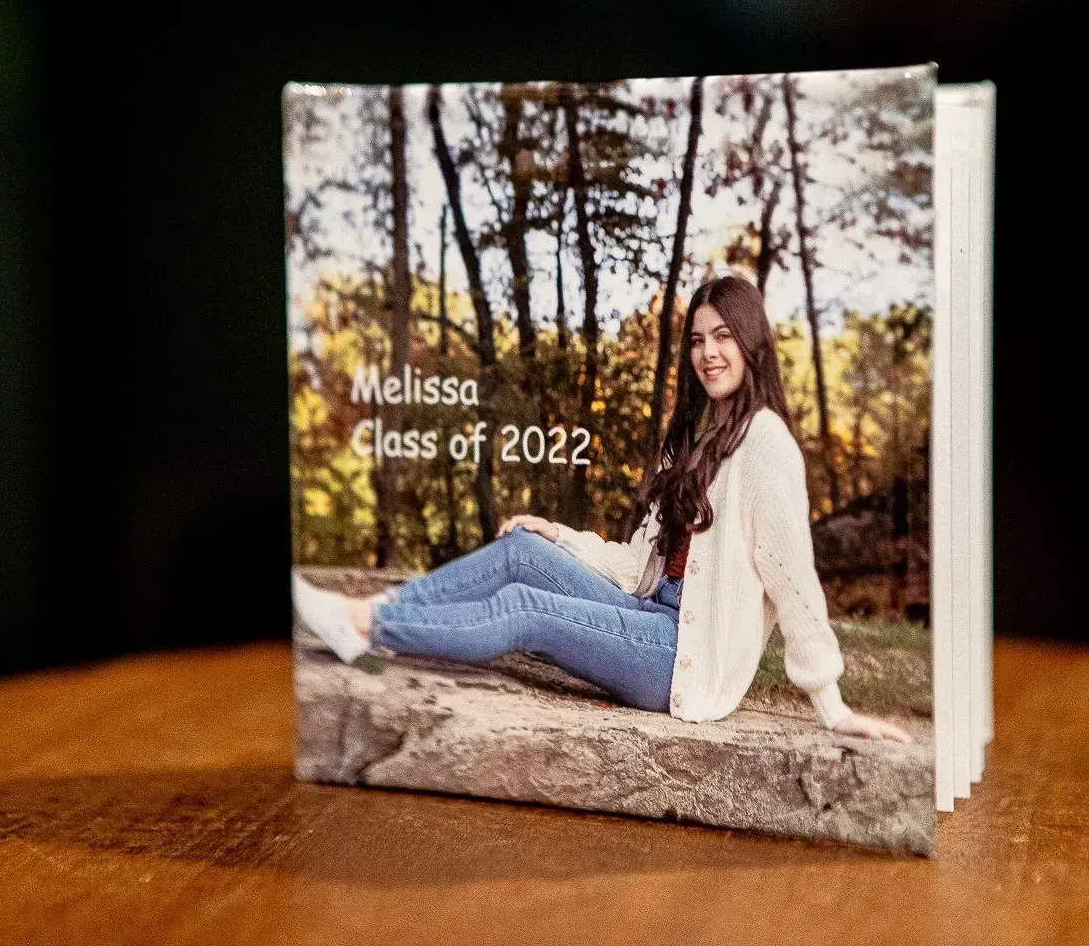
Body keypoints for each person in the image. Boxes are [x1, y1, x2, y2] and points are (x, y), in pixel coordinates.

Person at [293, 275, 911, 743]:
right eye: (698, 340)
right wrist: (558, 535)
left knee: (523, 609)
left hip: (679, 659)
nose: (708, 353)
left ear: (752, 343)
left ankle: (367, 626)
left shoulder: (765, 442)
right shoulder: (694, 436)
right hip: (649, 612)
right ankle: (369, 612)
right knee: (520, 551)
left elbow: (792, 576)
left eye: (724, 336)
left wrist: (831, 703)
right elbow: (635, 565)